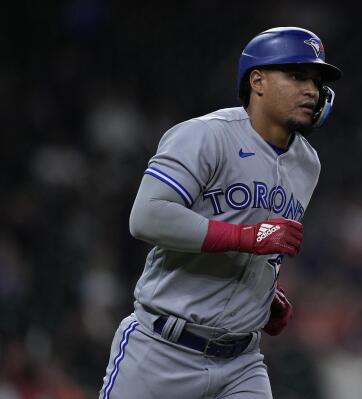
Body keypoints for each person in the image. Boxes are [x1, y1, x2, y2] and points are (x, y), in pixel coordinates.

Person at [98, 26, 342, 399]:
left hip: (241, 363)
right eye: (296, 75)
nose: (311, 89)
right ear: (257, 81)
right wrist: (247, 239)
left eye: (317, 80)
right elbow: (146, 216)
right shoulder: (206, 135)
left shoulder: (308, 163)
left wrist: (264, 294)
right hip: (161, 350)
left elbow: (262, 243)